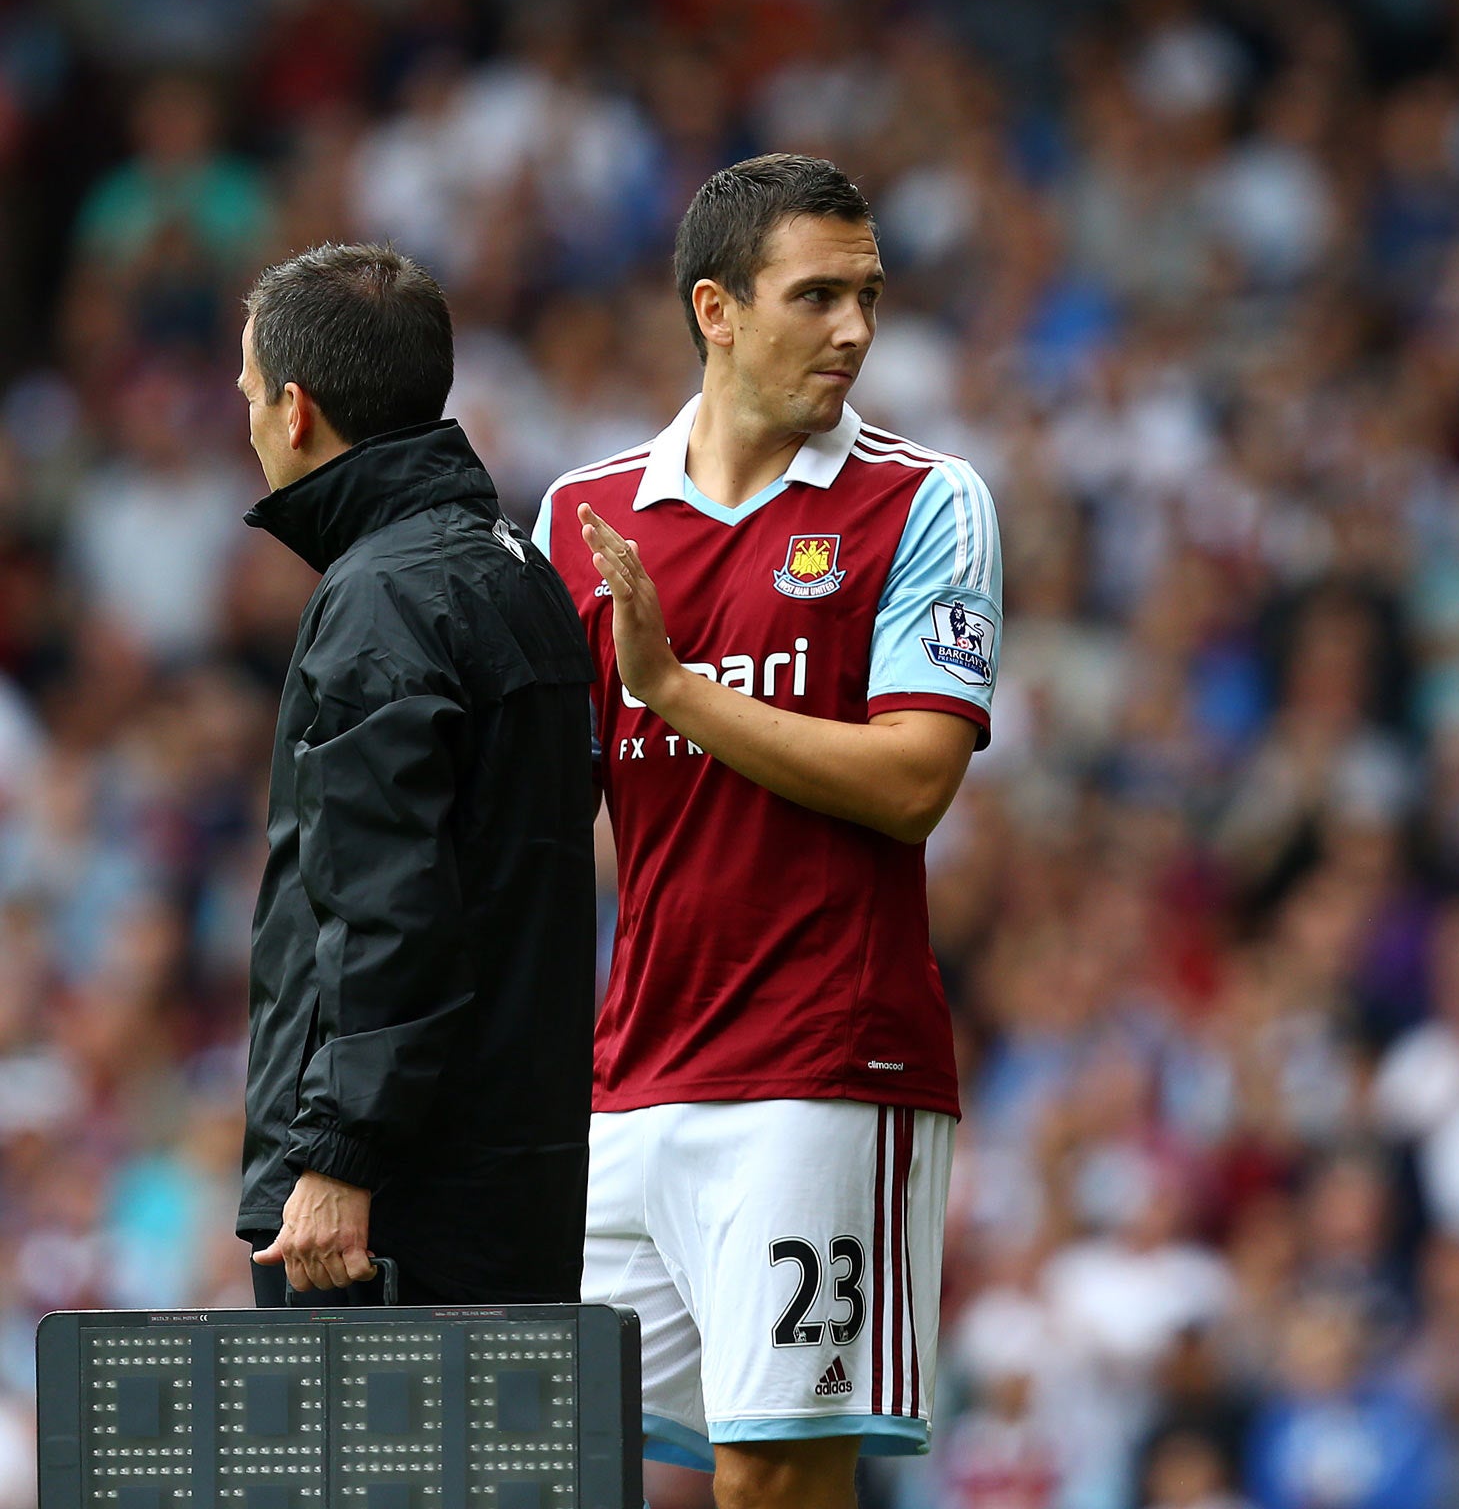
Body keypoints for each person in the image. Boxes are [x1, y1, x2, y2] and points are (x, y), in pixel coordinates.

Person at [534, 154, 1001, 1509]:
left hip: (826, 1067)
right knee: (534, 1447)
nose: (855, 330)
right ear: (716, 310)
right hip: (635, 1076)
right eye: (817, 297)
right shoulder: (581, 516)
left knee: (772, 1485)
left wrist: (675, 691)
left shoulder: (923, 502)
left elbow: (915, 778)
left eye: (869, 296)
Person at [236, 242, 598, 1306]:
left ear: (296, 411)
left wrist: (341, 1155)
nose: (247, 417)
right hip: (513, 1180)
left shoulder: (381, 598)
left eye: (251, 393)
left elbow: (389, 907)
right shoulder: (515, 568)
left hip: (388, 1210)